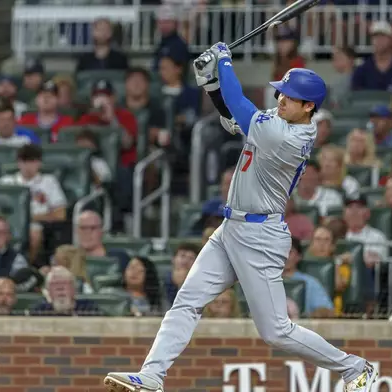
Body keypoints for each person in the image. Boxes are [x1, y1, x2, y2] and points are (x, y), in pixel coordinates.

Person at [104, 43, 376, 392]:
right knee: (187, 301)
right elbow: (234, 118)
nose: (281, 99)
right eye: (280, 92)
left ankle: (355, 368)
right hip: (232, 228)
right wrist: (213, 84)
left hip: (260, 236)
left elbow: (242, 109)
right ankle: (152, 376)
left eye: (290, 97)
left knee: (276, 331)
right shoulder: (276, 121)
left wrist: (224, 64)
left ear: (309, 107)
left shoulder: (291, 136)